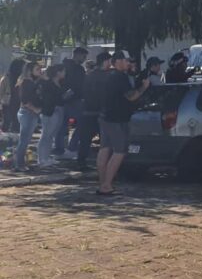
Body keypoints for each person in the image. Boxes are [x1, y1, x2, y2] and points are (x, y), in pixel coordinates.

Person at [97, 51, 148, 195]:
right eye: (127, 60)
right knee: (119, 151)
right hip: (116, 119)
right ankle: (106, 185)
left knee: (104, 149)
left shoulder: (110, 75)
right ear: (118, 61)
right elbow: (132, 96)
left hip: (106, 116)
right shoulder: (119, 77)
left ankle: (103, 183)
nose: (129, 63)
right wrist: (144, 87)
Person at [75, 52, 111, 171]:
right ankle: (106, 163)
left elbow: (83, 92)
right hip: (101, 112)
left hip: (87, 111)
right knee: (105, 141)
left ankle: (81, 161)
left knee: (85, 139)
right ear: (105, 61)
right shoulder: (108, 76)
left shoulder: (89, 75)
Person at [56, 47, 88, 158]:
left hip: (67, 99)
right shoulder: (76, 68)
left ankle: (60, 149)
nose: (85, 59)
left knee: (63, 125)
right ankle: (70, 147)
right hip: (74, 100)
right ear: (78, 55)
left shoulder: (66, 66)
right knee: (81, 123)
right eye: (84, 56)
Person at [13, 61, 42, 172]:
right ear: (30, 71)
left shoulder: (30, 82)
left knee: (25, 139)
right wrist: (35, 109)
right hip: (27, 113)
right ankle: (19, 164)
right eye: (37, 69)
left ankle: (20, 162)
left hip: (28, 113)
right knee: (24, 140)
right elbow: (25, 100)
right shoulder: (26, 82)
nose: (40, 71)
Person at [36, 64, 67, 168]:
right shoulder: (48, 83)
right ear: (57, 72)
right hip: (50, 111)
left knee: (52, 135)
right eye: (63, 71)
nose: (64, 73)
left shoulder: (61, 83)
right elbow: (47, 96)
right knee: (46, 135)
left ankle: (47, 157)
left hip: (59, 108)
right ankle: (41, 159)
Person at [0, 58, 25, 133]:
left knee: (17, 124)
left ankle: (14, 140)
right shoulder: (6, 78)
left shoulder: (22, 78)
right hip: (8, 104)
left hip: (19, 104)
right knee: (6, 123)